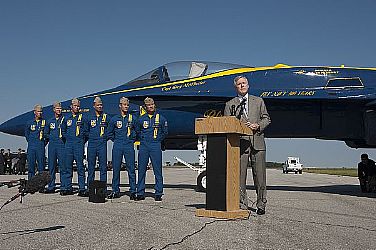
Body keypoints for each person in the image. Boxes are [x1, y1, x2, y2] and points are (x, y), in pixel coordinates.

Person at [224, 75, 271, 215]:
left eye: (244, 83)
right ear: (235, 87)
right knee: (239, 177)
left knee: (260, 176)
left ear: (248, 85)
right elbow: (227, 124)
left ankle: (261, 204)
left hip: (257, 142)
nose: (242, 86)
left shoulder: (258, 101)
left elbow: (266, 118)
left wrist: (258, 125)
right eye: (239, 84)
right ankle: (241, 203)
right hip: (240, 144)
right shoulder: (230, 104)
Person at [135, 97, 168, 201]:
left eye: (152, 104)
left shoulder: (161, 118)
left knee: (157, 170)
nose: (151, 106)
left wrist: (158, 139)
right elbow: (137, 131)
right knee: (141, 170)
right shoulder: (141, 119)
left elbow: (165, 132)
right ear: (145, 107)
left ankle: (158, 193)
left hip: (155, 145)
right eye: (149, 105)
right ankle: (140, 192)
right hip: (144, 146)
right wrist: (144, 139)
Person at [107, 97, 137, 200]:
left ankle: (133, 191)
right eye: (124, 105)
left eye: (127, 105)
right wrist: (116, 140)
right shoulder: (114, 119)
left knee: (131, 169)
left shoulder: (132, 118)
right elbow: (109, 133)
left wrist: (132, 139)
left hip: (128, 145)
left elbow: (137, 131)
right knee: (116, 169)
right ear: (120, 106)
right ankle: (115, 190)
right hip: (118, 145)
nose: (126, 106)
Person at [61, 98, 88, 196]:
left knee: (80, 167)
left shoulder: (83, 118)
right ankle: (68, 188)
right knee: (68, 167)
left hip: (79, 145)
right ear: (71, 106)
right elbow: (63, 131)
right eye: (75, 106)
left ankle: (81, 188)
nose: (77, 108)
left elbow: (86, 132)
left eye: (78, 106)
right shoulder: (66, 118)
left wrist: (81, 140)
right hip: (69, 145)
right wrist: (68, 138)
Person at [87, 97, 110, 190]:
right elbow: (85, 130)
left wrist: (104, 138)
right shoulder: (89, 117)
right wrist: (91, 137)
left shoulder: (106, 117)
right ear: (94, 106)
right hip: (92, 144)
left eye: (101, 105)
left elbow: (110, 130)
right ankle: (90, 188)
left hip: (102, 144)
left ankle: (102, 189)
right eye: (98, 105)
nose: (100, 107)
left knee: (103, 168)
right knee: (91, 168)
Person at [42, 101, 66, 193]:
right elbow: (45, 133)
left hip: (61, 145)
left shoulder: (64, 120)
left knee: (62, 167)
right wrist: (51, 137)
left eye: (60, 108)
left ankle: (63, 187)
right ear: (54, 110)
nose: (59, 110)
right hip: (52, 146)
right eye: (57, 108)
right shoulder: (49, 121)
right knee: (51, 167)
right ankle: (51, 186)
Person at [24, 104, 47, 179]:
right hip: (31, 147)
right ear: (34, 112)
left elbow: (46, 135)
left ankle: (41, 185)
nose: (39, 113)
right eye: (38, 111)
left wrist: (43, 143)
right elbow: (27, 135)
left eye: (41, 111)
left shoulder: (44, 122)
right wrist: (31, 142)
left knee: (41, 166)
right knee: (31, 166)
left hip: (40, 146)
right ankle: (31, 183)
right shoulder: (29, 123)